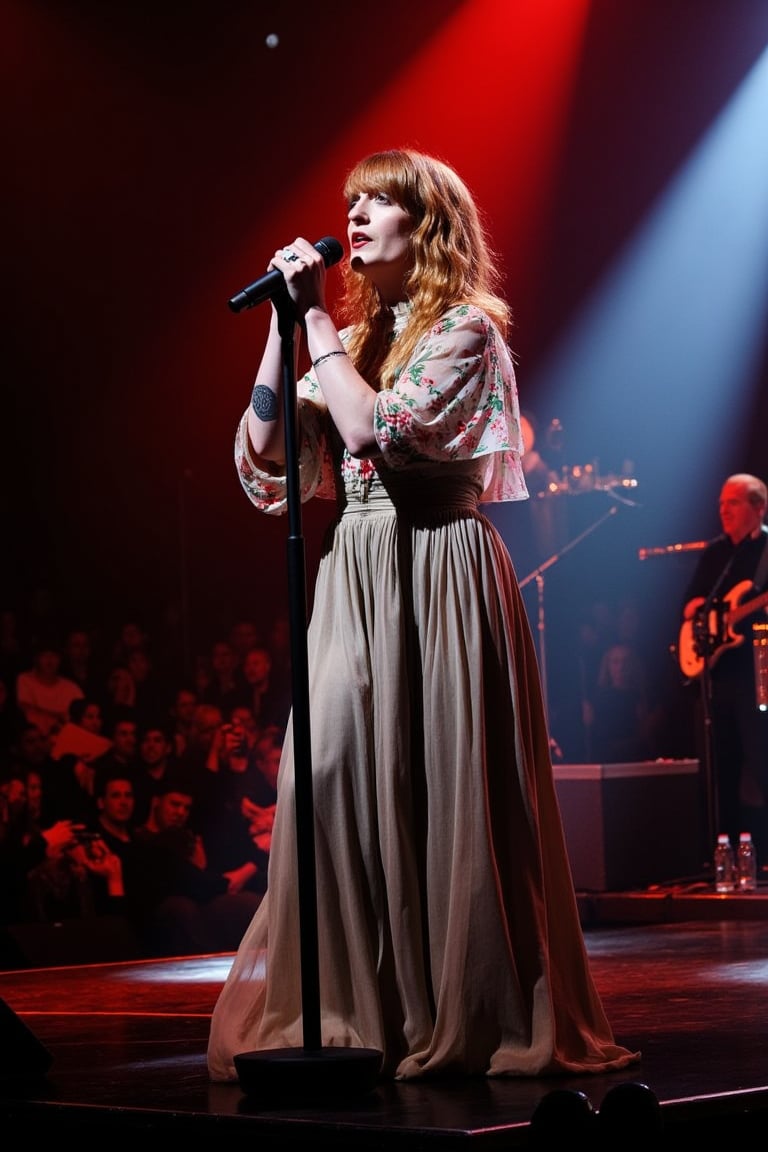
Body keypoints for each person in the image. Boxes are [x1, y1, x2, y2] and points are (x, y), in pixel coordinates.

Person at [207, 148, 639, 1082]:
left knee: (439, 783)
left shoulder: (467, 331)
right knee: (327, 777)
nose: (354, 218)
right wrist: (286, 329)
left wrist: (317, 320)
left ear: (428, 225)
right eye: (349, 203)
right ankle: (360, 1009)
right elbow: (269, 459)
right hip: (357, 569)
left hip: (437, 566)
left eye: (378, 203)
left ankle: (459, 1009)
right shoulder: (343, 340)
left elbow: (375, 433)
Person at [679, 473, 768, 859]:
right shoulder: (716, 553)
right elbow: (688, 605)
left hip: (756, 670)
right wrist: (702, 611)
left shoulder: (764, 548)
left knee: (761, 757)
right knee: (721, 765)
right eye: (720, 503)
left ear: (758, 507)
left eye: (733, 502)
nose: (723, 510)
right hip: (718, 673)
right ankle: (724, 854)